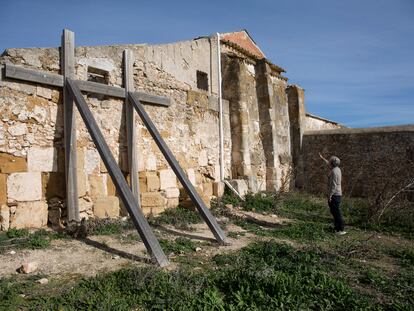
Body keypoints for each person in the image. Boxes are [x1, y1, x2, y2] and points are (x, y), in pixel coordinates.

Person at [319, 152, 346, 235]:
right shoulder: (337, 169)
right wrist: (323, 158)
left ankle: (340, 229)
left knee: (336, 212)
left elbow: (333, 185)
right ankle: (337, 227)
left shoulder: (334, 172)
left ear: (332, 163)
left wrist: (330, 195)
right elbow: (328, 163)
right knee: (334, 211)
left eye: (330, 161)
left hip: (335, 195)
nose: (329, 162)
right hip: (337, 194)